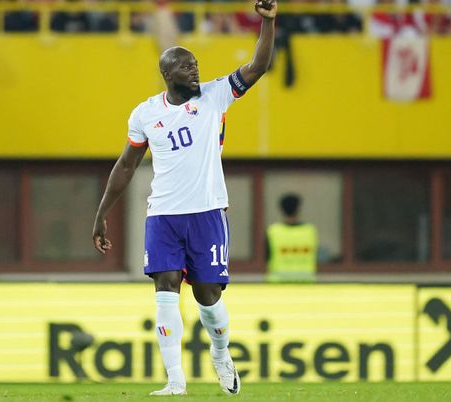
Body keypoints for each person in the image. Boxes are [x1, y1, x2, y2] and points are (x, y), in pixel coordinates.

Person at [91, 0, 277, 396]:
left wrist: (268, 24)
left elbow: (257, 67)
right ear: (166, 73)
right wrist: (102, 212)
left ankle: (221, 353)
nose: (195, 68)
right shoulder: (144, 114)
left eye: (195, 63)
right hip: (163, 216)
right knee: (165, 289)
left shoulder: (214, 96)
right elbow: (125, 167)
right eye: (186, 64)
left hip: (207, 212)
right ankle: (175, 381)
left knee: (208, 298)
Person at [266, 193, 318, 282]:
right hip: (306, 283)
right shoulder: (310, 231)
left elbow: (266, 256)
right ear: (298, 209)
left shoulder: (273, 231)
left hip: (278, 284)